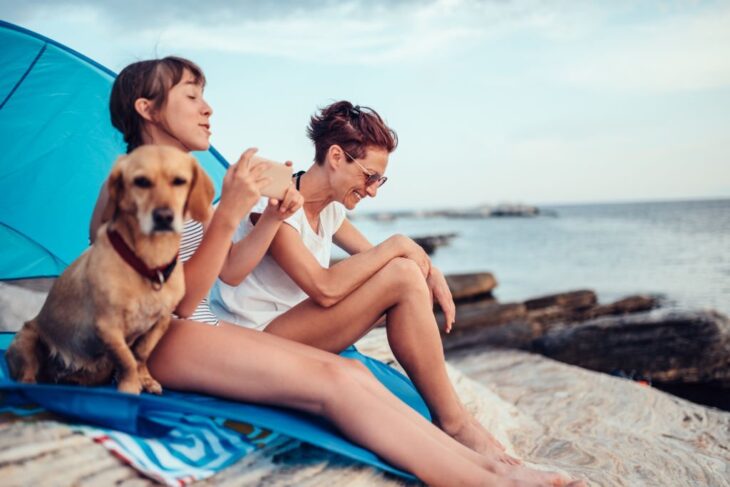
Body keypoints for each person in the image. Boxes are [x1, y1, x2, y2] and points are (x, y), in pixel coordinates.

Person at [90, 56, 578, 487]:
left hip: (202, 332)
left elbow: (227, 272)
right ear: (147, 109)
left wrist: (265, 219)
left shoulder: (188, 183)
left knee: (353, 373)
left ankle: (490, 465)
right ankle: (489, 481)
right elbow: (178, 301)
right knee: (341, 384)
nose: (208, 108)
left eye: (206, 97)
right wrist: (232, 213)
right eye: (192, 96)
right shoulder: (135, 183)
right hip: (163, 337)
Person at [209, 100, 502, 456]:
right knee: (401, 274)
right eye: (369, 176)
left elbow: (378, 262)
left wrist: (429, 268)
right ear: (336, 157)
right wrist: (399, 244)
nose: (373, 190)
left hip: (290, 331)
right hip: (254, 343)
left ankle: (454, 419)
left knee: (405, 275)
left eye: (380, 179)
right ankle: (455, 424)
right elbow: (324, 288)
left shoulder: (329, 210)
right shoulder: (276, 206)